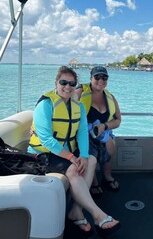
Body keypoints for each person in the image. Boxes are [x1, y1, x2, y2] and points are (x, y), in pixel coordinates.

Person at [28, 66, 120, 236]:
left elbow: (82, 132)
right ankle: (98, 215)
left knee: (91, 160)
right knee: (73, 169)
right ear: (56, 83)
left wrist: (83, 156)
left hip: (65, 152)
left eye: (72, 83)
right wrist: (72, 157)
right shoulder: (45, 104)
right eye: (64, 82)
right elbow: (47, 140)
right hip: (43, 154)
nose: (68, 87)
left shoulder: (77, 106)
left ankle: (76, 211)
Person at [76, 66, 121, 196]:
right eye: (97, 77)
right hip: (84, 133)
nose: (101, 80)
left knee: (110, 143)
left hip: (103, 132)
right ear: (91, 78)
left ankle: (107, 176)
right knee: (90, 150)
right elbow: (64, 103)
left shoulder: (110, 97)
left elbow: (118, 120)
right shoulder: (80, 92)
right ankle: (94, 181)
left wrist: (104, 126)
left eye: (104, 77)